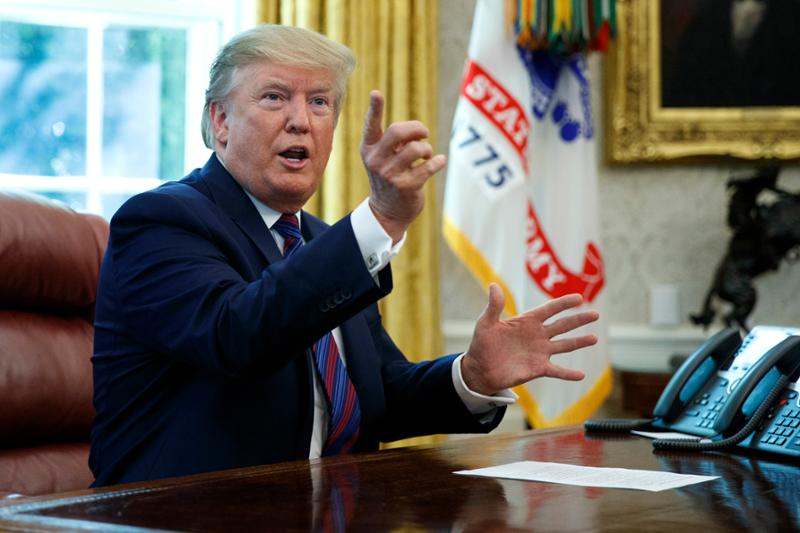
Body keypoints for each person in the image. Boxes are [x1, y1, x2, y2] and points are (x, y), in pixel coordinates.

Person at [88, 24, 599, 486]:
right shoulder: (161, 222)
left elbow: (378, 396)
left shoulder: (321, 241)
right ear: (220, 120)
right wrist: (380, 219)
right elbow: (239, 335)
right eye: (274, 97)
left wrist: (472, 376)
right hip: (182, 513)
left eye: (320, 102)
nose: (300, 121)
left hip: (331, 508)